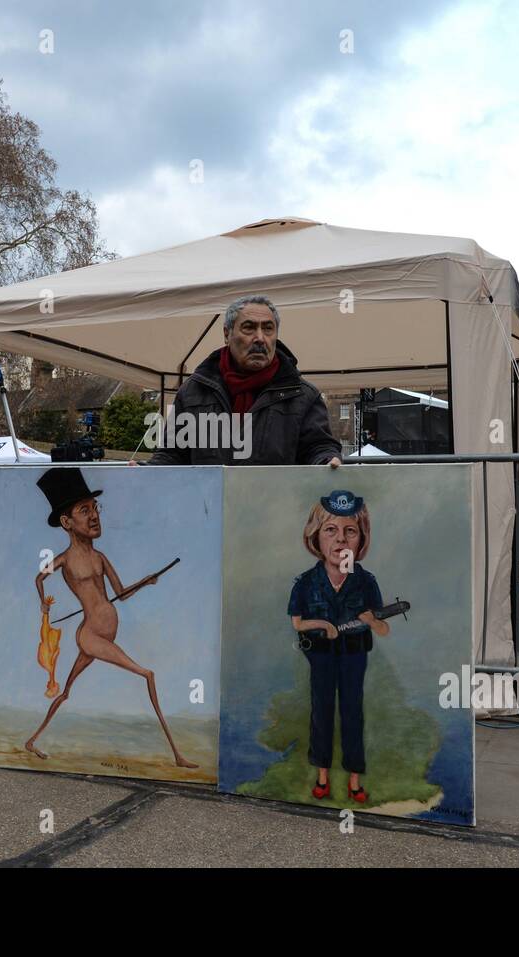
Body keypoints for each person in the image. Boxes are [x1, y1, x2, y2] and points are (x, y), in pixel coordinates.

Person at [24, 467, 196, 768]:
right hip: (91, 635)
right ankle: (178, 756)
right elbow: (39, 578)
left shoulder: (100, 557)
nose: (94, 516)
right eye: (83, 510)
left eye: (95, 508)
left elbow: (122, 593)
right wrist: (44, 607)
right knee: (148, 675)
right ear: (66, 522)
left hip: (104, 633)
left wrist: (146, 580)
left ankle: (31, 741)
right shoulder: (65, 559)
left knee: (66, 691)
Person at [146, 294, 342, 467]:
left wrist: (327, 460)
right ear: (227, 334)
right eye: (249, 328)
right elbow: (172, 454)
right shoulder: (192, 392)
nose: (260, 338)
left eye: (268, 329)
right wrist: (144, 473)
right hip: (208, 507)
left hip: (274, 508)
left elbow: (319, 448)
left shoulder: (304, 396)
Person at [288, 490, 390, 804]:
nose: (341, 540)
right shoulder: (305, 582)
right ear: (315, 537)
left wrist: (372, 621)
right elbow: (297, 623)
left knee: (352, 713)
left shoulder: (366, 581)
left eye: (350, 531)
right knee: (321, 712)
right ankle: (322, 778)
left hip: (354, 656)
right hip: (319, 656)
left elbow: (384, 629)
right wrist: (323, 625)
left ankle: (354, 781)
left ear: (361, 539)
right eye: (331, 530)